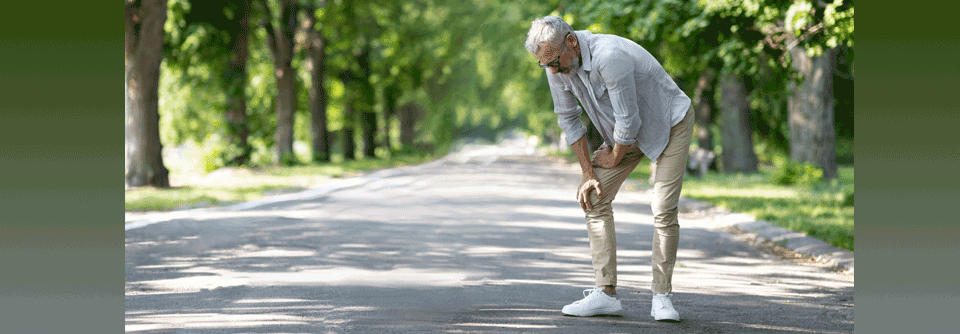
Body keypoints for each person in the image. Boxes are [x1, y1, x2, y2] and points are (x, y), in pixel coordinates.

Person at [524, 16, 694, 322]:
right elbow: (568, 119)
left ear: (571, 43)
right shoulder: (558, 67)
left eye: (554, 62)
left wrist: (613, 157)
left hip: (668, 123)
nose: (551, 70)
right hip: (624, 136)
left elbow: (630, 120)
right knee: (594, 197)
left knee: (663, 207)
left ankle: (662, 297)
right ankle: (605, 293)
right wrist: (589, 173)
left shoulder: (610, 57)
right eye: (544, 64)